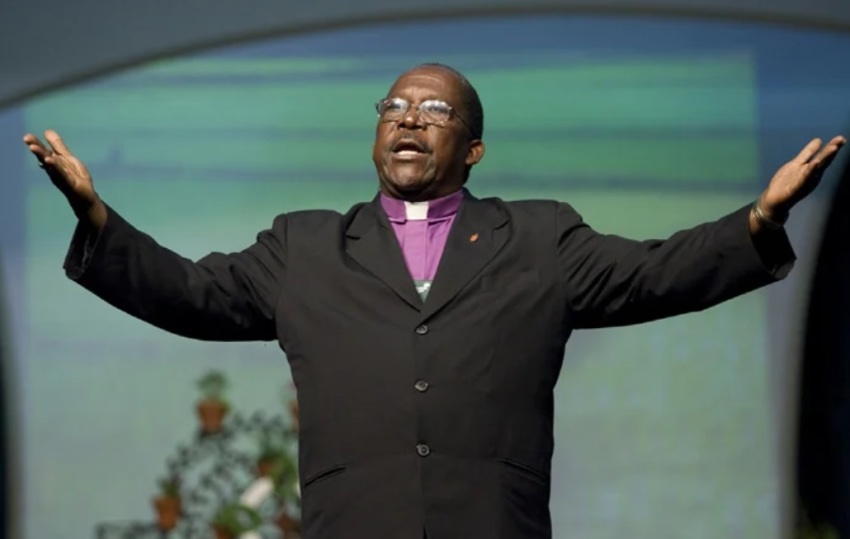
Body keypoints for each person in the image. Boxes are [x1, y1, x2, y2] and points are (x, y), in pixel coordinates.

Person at [23, 63, 845, 539]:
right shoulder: (303, 246)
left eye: (435, 110)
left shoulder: (539, 238)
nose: (409, 119)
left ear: (474, 147)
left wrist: (757, 221)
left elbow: (655, 272)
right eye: (394, 108)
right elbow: (190, 293)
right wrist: (98, 217)